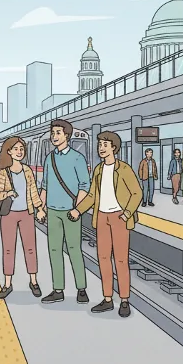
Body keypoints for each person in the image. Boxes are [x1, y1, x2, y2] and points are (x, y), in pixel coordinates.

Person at [69, 131, 142, 317]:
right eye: (100, 144)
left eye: (105, 145)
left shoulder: (124, 169)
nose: (101, 148)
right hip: (101, 217)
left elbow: (137, 193)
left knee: (120, 260)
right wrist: (78, 210)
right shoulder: (98, 170)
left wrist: (126, 214)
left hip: (119, 218)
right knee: (103, 259)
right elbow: (92, 196)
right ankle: (108, 299)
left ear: (114, 148)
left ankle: (124, 300)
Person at [39, 119, 90, 305]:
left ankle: (81, 289)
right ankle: (58, 289)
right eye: (53, 133)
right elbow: (44, 185)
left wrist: (78, 209)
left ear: (66, 136)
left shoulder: (78, 158)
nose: (54, 136)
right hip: (52, 211)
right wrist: (40, 208)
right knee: (54, 250)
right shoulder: (49, 158)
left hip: (71, 212)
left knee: (74, 249)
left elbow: (85, 186)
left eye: (58, 133)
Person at [0, 137, 46, 300]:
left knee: (30, 248)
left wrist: (39, 209)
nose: (19, 152)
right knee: (8, 249)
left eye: (21, 149)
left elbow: (33, 192)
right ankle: (7, 284)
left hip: (27, 214)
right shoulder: (3, 172)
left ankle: (33, 281)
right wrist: (8, 193)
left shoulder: (27, 171)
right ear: (9, 151)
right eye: (16, 149)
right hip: (8, 215)